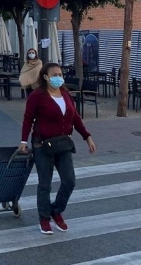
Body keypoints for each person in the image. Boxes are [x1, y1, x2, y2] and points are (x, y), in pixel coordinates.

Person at [20, 62, 97, 235]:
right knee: (45, 184)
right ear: (46, 77)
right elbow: (27, 119)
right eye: (54, 74)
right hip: (42, 145)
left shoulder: (65, 94)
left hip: (63, 144)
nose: (59, 77)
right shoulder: (37, 96)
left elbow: (75, 118)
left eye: (60, 74)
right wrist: (24, 141)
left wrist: (87, 137)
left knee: (69, 181)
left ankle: (56, 211)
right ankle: (44, 218)